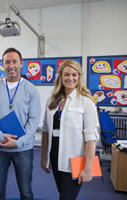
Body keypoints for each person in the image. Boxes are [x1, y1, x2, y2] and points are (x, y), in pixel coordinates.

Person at [0, 47, 41, 200]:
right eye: (7, 62)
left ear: (21, 63)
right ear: (3, 65)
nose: (11, 65)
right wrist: (0, 136)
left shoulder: (31, 89)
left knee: (26, 191)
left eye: (14, 61)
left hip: (23, 149)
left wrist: (19, 142)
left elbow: (34, 120)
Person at [41, 60, 99, 200]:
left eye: (74, 75)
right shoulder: (52, 101)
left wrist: (88, 168)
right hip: (55, 157)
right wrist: (44, 157)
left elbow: (91, 138)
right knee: (63, 194)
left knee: (66, 197)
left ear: (79, 77)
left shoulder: (86, 102)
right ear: (60, 76)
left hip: (75, 160)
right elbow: (46, 131)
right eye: (66, 74)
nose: (70, 78)